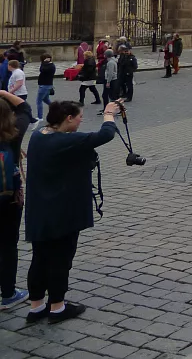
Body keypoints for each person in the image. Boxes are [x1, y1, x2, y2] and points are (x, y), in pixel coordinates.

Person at [24, 98, 121, 323]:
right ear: (68, 118)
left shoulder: (38, 135)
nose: (80, 121)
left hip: (39, 211)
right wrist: (109, 113)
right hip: (62, 213)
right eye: (79, 117)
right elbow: (106, 134)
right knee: (61, 259)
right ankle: (57, 308)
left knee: (39, 258)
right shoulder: (64, 141)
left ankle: (36, 307)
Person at [0, 96, 28, 310]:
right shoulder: (13, 136)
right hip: (8, 199)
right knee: (8, 244)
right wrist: (2, 91)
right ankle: (8, 294)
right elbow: (25, 109)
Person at [35, 54, 55, 122]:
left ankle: (40, 117)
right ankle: (55, 107)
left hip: (45, 85)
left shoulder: (50, 66)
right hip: (45, 85)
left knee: (39, 101)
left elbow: (42, 70)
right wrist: (44, 63)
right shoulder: (49, 65)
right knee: (45, 99)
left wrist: (44, 63)